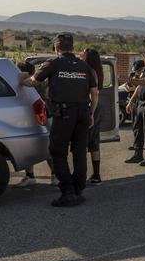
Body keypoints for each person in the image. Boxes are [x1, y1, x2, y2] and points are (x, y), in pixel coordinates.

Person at [21, 34, 98, 207]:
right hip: (83, 113)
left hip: (64, 114)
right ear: (72, 48)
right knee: (79, 152)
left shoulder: (53, 64)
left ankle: (68, 192)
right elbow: (95, 93)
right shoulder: (85, 66)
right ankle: (79, 190)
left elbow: (34, 81)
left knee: (57, 151)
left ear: (56, 49)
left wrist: (21, 81)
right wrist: (91, 113)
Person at [81, 48, 105, 184]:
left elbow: (93, 94)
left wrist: (90, 112)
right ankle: (96, 175)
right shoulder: (98, 70)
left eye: (83, 53)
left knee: (84, 141)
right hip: (96, 107)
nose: (81, 55)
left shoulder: (90, 71)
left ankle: (82, 175)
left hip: (91, 107)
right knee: (94, 142)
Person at [125, 59, 145, 151]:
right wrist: (132, 87)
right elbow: (127, 87)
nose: (137, 71)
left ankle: (139, 144)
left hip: (139, 102)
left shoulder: (144, 76)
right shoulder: (132, 75)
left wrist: (133, 87)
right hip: (132, 102)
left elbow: (137, 88)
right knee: (134, 125)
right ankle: (136, 143)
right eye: (136, 69)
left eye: (138, 69)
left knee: (139, 125)